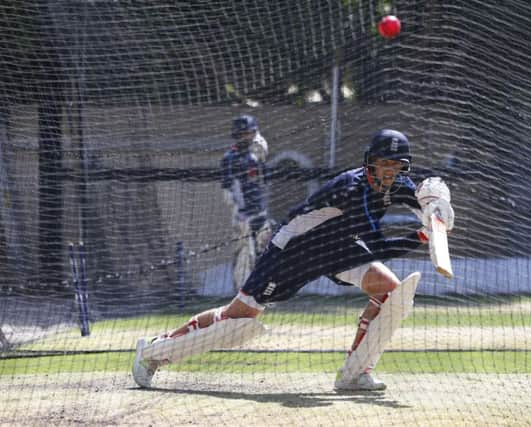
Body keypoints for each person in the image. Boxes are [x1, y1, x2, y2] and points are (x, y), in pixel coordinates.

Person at [133, 129, 455, 391]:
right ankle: (153, 353)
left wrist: (435, 208)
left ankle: (356, 373)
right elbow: (379, 247)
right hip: (295, 251)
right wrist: (421, 237)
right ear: (370, 162)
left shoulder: (397, 183)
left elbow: (424, 203)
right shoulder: (351, 189)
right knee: (239, 318)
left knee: (392, 293)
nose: (389, 172)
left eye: (395, 166)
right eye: (383, 164)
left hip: (339, 249)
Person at [221, 115, 273, 290]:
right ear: (238, 134)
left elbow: (263, 154)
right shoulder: (230, 158)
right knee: (245, 255)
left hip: (260, 212)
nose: (250, 136)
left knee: (265, 252)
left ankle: (264, 292)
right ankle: (242, 295)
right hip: (243, 215)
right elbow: (227, 190)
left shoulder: (256, 153)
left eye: (251, 133)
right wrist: (238, 211)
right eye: (246, 133)